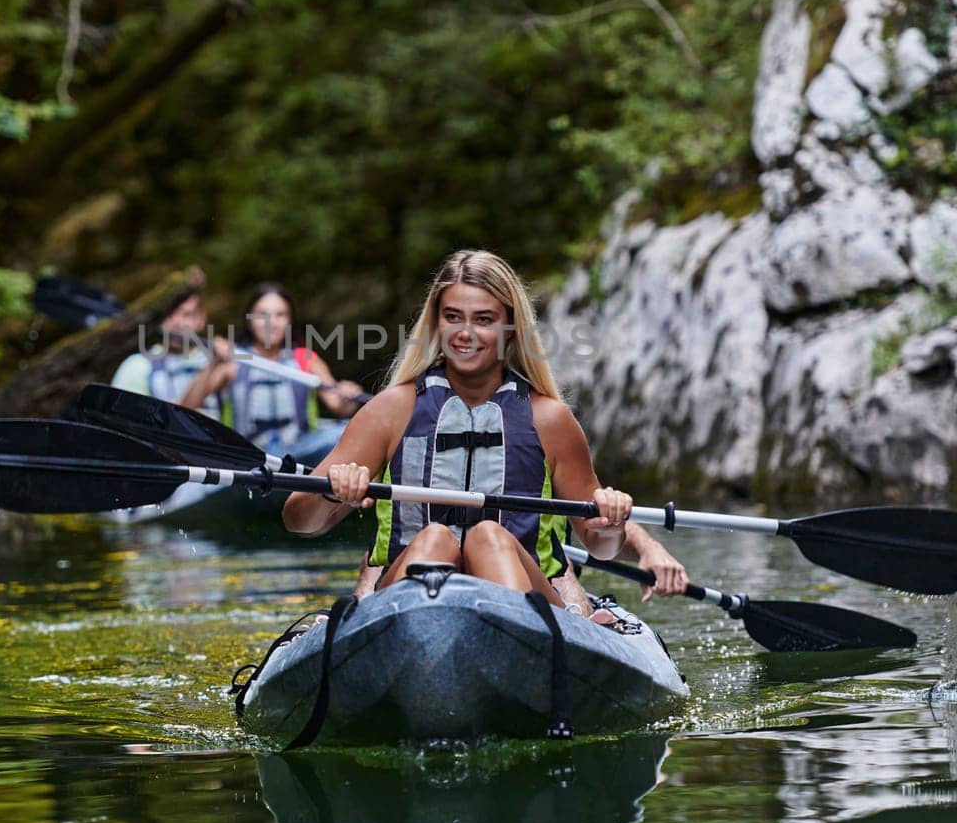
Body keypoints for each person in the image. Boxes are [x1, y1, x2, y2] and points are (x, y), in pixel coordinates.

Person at [283, 249, 687, 609]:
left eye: (484, 320)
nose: (465, 333)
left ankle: (514, 641)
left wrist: (613, 525)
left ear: (510, 328)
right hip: (408, 597)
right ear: (436, 323)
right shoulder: (391, 410)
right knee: (434, 539)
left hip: (525, 588)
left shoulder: (549, 420)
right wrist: (333, 494)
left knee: (487, 537)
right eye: (452, 316)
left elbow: (598, 544)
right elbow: (299, 521)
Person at [179, 281, 365, 466]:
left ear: (289, 320)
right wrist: (213, 363)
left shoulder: (304, 358)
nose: (271, 323)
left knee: (341, 432)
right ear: (249, 320)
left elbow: (339, 408)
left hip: (299, 454)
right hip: (249, 461)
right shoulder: (232, 362)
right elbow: (187, 406)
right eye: (263, 315)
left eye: (280, 315)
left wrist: (348, 395)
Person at [110, 286, 220, 416]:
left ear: (201, 319)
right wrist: (212, 365)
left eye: (186, 314)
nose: (177, 323)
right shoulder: (136, 366)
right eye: (169, 314)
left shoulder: (223, 363)